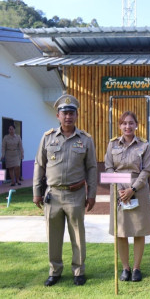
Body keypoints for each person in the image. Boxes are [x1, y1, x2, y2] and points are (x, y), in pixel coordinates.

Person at [32, 94, 97, 287]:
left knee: (78, 234)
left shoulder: (85, 139)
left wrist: (91, 193)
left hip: (76, 194)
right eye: (64, 112)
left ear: (76, 115)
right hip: (53, 195)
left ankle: (78, 271)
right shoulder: (47, 138)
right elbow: (39, 165)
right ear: (58, 115)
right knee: (53, 235)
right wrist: (36, 191)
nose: (68, 116)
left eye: (71, 112)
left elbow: (92, 167)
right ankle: (55, 271)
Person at [105, 111, 150, 282]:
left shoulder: (144, 145)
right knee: (121, 231)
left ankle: (136, 268)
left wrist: (132, 189)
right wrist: (120, 188)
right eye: (124, 123)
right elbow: (109, 168)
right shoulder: (112, 145)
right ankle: (125, 268)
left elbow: (147, 170)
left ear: (136, 125)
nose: (127, 126)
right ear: (120, 126)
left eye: (131, 123)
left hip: (138, 190)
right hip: (118, 190)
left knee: (139, 230)